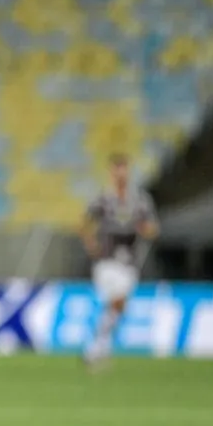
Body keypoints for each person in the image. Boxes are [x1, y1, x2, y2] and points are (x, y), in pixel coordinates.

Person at [80, 153, 159, 369]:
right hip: (106, 261)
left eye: (123, 169)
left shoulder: (140, 200)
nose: (120, 174)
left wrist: (146, 229)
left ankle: (98, 348)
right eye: (116, 170)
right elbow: (84, 222)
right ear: (111, 173)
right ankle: (97, 348)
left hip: (129, 263)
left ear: (128, 172)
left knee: (117, 307)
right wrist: (91, 244)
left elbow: (153, 228)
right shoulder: (103, 199)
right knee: (118, 301)